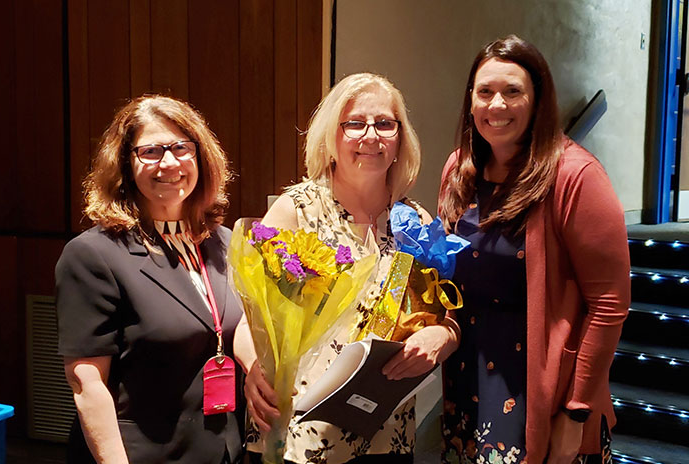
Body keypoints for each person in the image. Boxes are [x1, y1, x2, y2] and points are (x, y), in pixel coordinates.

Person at [236, 72, 461, 464]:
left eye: (385, 124)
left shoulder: (415, 222)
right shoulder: (295, 211)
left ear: (400, 139)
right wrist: (253, 366)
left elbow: (446, 316)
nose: (371, 136)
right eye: (355, 123)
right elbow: (247, 319)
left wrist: (443, 336)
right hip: (299, 434)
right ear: (331, 137)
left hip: (386, 433)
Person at [438, 35, 630, 464]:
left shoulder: (575, 176)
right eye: (485, 92)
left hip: (546, 390)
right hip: (469, 376)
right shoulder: (459, 169)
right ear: (470, 100)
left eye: (512, 91)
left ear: (538, 100)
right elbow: (447, 270)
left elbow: (609, 304)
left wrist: (576, 411)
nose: (497, 105)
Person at [56, 95, 244, 463]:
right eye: (151, 151)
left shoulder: (225, 243)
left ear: (201, 157)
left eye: (181, 148)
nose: (169, 163)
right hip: (138, 454)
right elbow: (87, 383)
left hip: (222, 450)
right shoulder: (93, 255)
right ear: (125, 165)